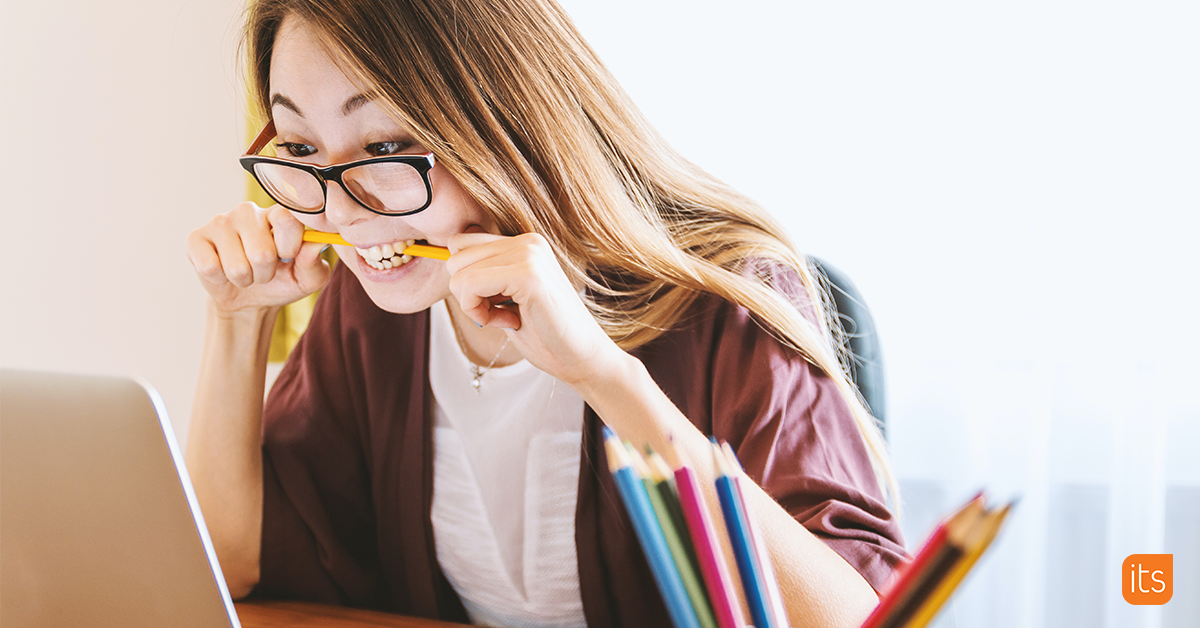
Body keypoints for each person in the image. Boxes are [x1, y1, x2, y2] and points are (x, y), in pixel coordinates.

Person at [184, 1, 908, 626]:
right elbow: (231, 565)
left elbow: (854, 617)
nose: (342, 213)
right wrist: (237, 321)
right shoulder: (374, 306)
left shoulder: (727, 299)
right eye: (303, 149)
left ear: (506, 120)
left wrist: (602, 375)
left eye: (386, 146)